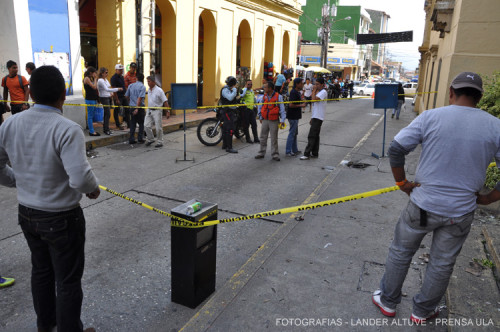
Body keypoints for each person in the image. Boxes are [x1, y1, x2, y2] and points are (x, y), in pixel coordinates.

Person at [372, 72, 500, 325]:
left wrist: (402, 183)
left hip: (422, 205)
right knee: (442, 263)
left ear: (451, 92)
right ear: (480, 97)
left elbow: (396, 149)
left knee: (400, 251)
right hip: (460, 211)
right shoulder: (495, 125)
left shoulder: (432, 116)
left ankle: (387, 301)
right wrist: (489, 198)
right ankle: (422, 311)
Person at [0, 65, 99, 332]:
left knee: (41, 273)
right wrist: (93, 188)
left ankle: (46, 326)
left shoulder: (9, 125)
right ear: (63, 96)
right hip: (61, 218)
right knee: (67, 281)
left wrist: (18, 180)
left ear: (30, 93)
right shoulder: (67, 129)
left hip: (28, 215)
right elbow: (80, 178)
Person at [254, 82, 286, 161]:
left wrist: (282, 120)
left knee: (274, 138)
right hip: (265, 119)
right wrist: (260, 117)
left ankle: (275, 154)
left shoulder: (279, 97)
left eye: (265, 87)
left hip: (274, 120)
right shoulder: (263, 97)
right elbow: (260, 107)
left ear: (270, 88)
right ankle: (261, 153)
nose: (264, 89)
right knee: (263, 137)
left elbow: (282, 109)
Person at [300, 77, 328, 160]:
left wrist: (313, 91)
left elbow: (313, 100)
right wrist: (312, 117)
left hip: (319, 117)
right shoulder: (318, 92)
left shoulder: (323, 92)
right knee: (316, 136)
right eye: (315, 84)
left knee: (311, 135)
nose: (316, 86)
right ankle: (315, 153)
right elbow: (315, 107)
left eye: (317, 84)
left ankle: (307, 153)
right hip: (315, 116)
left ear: (322, 85)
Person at [144, 76, 169, 148]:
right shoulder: (149, 90)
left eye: (149, 81)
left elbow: (165, 101)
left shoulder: (159, 90)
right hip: (149, 110)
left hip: (157, 110)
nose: (148, 83)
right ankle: (150, 139)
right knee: (146, 125)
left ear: (153, 82)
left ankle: (160, 141)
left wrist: (167, 111)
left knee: (158, 127)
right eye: (147, 81)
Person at [97, 67, 122, 135]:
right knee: (107, 113)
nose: (107, 74)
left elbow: (108, 88)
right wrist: (117, 89)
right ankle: (106, 129)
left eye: (107, 72)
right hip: (104, 97)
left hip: (108, 97)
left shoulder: (105, 80)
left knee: (107, 113)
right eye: (106, 73)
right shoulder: (100, 80)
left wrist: (111, 94)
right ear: (102, 73)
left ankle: (106, 128)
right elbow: (106, 89)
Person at [219, 76, 240, 153]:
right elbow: (230, 98)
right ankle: (229, 147)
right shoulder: (225, 90)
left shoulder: (228, 90)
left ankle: (225, 145)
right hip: (227, 111)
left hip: (230, 111)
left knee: (225, 129)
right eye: (235, 84)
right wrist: (234, 90)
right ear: (233, 84)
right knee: (230, 129)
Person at [286, 78, 305, 157]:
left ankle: (295, 150)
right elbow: (291, 105)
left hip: (295, 116)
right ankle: (288, 151)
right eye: (301, 83)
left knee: (294, 134)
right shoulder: (293, 92)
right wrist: (301, 105)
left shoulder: (297, 92)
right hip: (292, 116)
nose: (302, 85)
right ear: (297, 84)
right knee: (292, 133)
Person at [126, 73, 147, 144]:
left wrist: (130, 103)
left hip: (131, 107)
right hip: (139, 108)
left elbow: (127, 96)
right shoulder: (142, 87)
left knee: (133, 123)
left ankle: (131, 139)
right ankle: (140, 138)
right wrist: (137, 108)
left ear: (136, 78)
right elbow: (139, 98)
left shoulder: (131, 85)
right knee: (141, 123)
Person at [110, 64, 129, 129]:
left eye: (122, 70)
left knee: (127, 109)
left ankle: (128, 123)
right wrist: (116, 99)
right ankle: (118, 125)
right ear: (116, 70)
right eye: (120, 70)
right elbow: (114, 89)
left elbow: (124, 86)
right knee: (117, 110)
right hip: (118, 96)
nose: (121, 71)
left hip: (123, 96)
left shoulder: (121, 77)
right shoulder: (113, 78)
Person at [83, 67, 100, 136]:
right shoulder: (87, 78)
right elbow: (94, 87)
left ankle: (91, 128)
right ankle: (91, 131)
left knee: (92, 115)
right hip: (89, 99)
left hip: (93, 99)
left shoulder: (90, 78)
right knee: (90, 116)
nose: (95, 74)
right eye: (94, 73)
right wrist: (95, 79)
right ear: (90, 73)